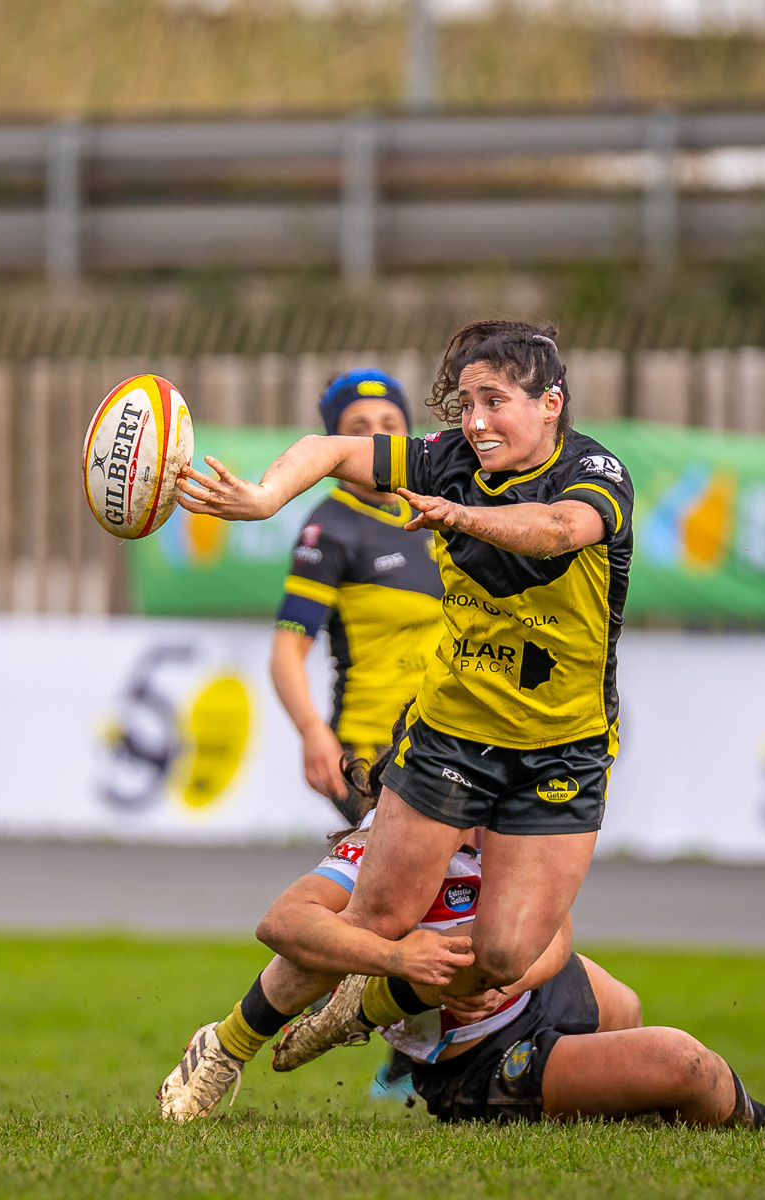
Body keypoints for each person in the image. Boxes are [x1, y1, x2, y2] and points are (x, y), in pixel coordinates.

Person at [178, 319, 630, 1003]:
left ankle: (367, 1016)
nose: (475, 421)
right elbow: (325, 451)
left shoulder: (593, 473)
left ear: (551, 403)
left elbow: (561, 530)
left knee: (505, 951)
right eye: (466, 403)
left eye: (494, 402)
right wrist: (266, 498)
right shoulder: (413, 480)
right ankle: (229, 1046)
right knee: (380, 919)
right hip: (439, 735)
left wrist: (459, 515)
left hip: (562, 746)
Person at [158, 731, 765, 1128]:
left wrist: (512, 973)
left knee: (622, 1008)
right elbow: (280, 921)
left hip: (531, 998)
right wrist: (397, 956)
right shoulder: (392, 844)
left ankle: (364, 1010)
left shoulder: (507, 821)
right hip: (475, 1057)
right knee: (684, 1066)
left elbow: (557, 937)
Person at [267, 368, 442, 1101]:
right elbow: (286, 649)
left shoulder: (442, 511)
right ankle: (398, 1046)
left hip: (456, 746)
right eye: (360, 428)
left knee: (437, 900)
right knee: (403, 904)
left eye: (390, 426)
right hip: (373, 754)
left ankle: (403, 1042)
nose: (378, 438)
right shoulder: (329, 525)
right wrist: (313, 730)